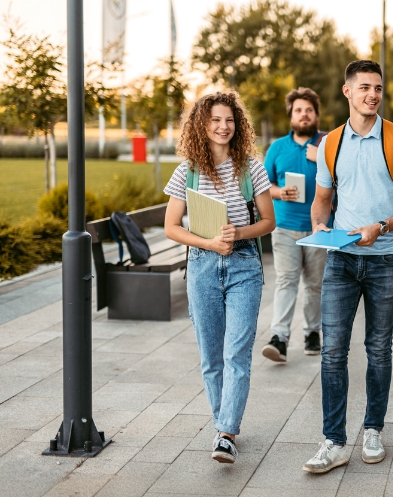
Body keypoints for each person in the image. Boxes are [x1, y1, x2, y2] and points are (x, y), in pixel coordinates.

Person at [302, 60, 393, 473]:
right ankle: (334, 441)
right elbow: (322, 198)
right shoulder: (330, 144)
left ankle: (373, 429)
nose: (372, 94)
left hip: (385, 260)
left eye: (377, 87)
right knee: (332, 351)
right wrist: (319, 225)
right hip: (340, 259)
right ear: (347, 92)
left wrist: (383, 226)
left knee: (378, 350)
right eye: (364, 88)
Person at [163, 91, 275, 464]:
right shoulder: (187, 172)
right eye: (215, 120)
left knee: (236, 354)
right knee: (211, 357)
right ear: (201, 125)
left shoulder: (251, 168)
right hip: (202, 267)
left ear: (238, 124)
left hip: (243, 265)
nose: (223, 127)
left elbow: (267, 222)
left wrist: (235, 235)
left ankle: (227, 433)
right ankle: (221, 426)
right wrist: (209, 242)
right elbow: (171, 227)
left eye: (229, 120)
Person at [261, 87, 328, 362]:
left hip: (319, 228)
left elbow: (344, 180)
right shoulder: (277, 147)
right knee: (287, 281)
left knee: (314, 285)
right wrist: (279, 193)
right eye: (299, 110)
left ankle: (313, 332)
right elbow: (263, 186)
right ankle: (279, 338)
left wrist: (321, 158)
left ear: (315, 115)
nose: (304, 115)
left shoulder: (327, 145)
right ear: (291, 115)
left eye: (309, 110)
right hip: (285, 227)